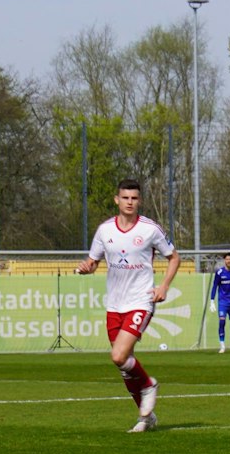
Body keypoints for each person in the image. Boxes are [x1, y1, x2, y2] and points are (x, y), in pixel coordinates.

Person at [76, 179, 180, 432]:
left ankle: (149, 385)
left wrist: (164, 286)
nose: (130, 202)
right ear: (117, 200)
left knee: (119, 356)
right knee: (124, 366)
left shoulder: (150, 229)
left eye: (134, 198)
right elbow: (93, 262)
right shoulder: (104, 231)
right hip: (114, 304)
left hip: (140, 300)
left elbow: (174, 257)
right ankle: (146, 418)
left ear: (139, 201)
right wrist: (86, 268)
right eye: (125, 198)